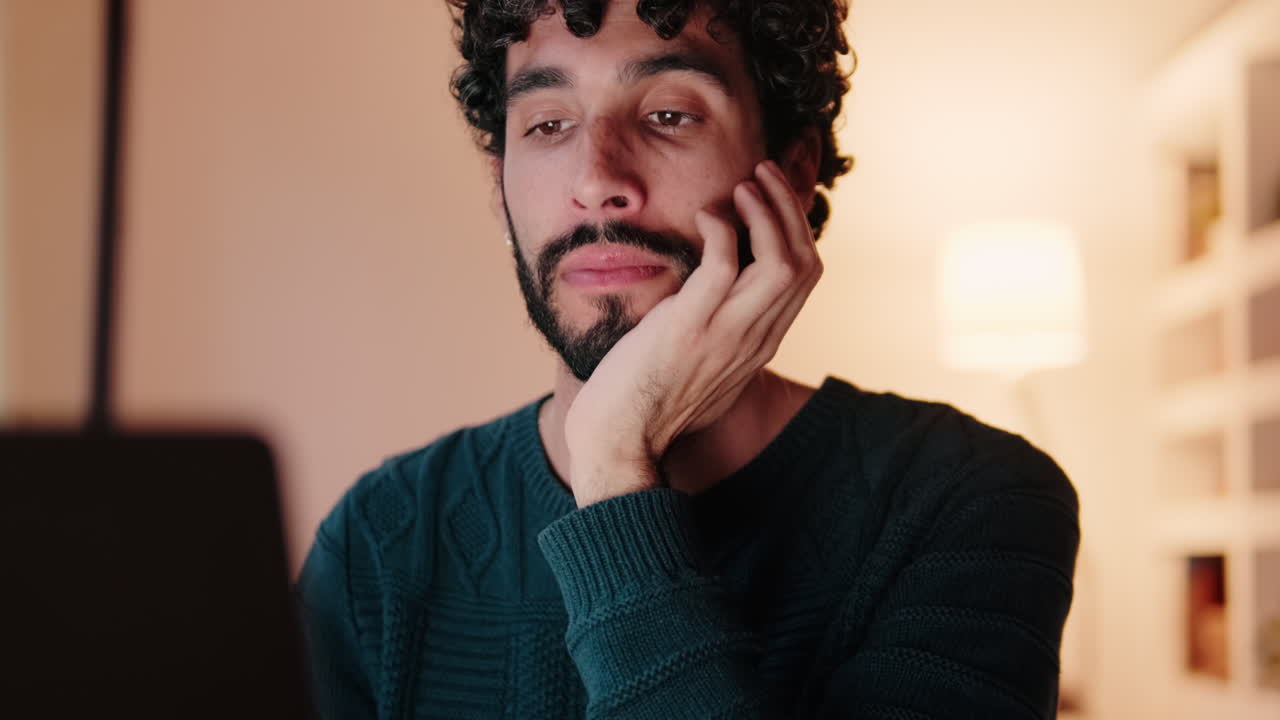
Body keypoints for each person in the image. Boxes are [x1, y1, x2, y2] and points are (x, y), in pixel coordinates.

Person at [294, 1, 1080, 718]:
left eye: (669, 115)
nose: (597, 181)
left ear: (792, 171)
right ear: (500, 190)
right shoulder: (378, 543)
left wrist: (614, 465)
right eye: (548, 125)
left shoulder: (969, 500)